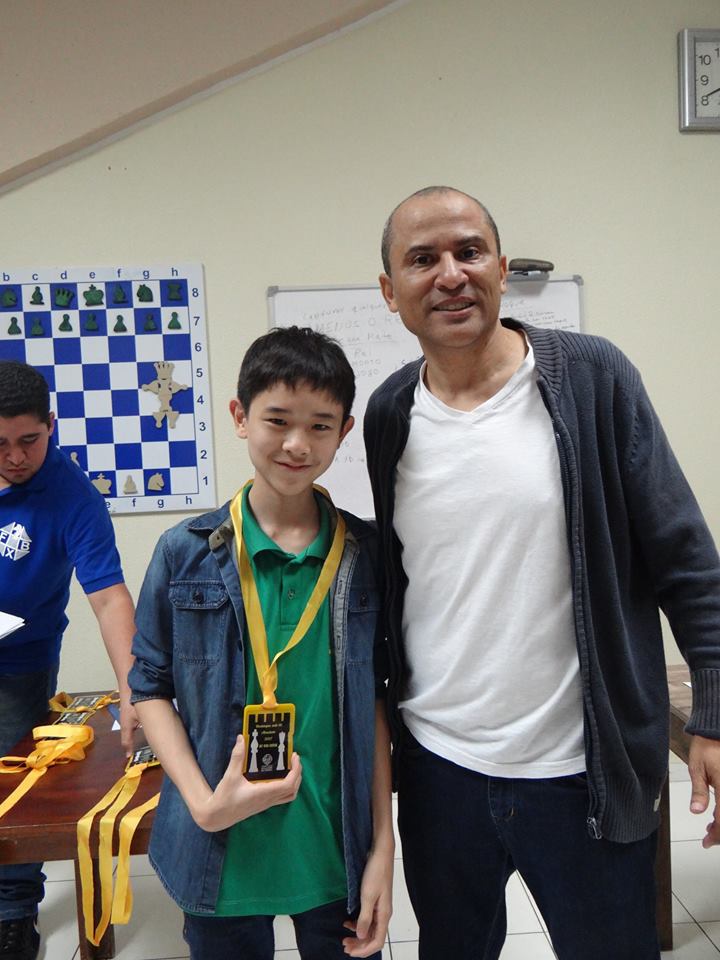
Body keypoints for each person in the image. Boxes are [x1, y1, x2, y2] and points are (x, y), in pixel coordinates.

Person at [363, 185, 720, 960]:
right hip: (440, 772)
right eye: (422, 259)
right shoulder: (390, 412)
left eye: (469, 251)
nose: (450, 274)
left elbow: (687, 560)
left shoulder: (592, 378)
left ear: (500, 268)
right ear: (391, 292)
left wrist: (714, 713)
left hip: (580, 772)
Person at [129, 326, 393, 960]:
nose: (297, 444)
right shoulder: (184, 553)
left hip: (333, 849)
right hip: (219, 853)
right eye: (277, 420)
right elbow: (149, 688)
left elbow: (378, 700)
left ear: (344, 432)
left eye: (320, 426)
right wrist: (203, 806)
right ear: (240, 416)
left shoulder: (367, 554)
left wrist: (383, 845)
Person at [0, 359, 137, 960]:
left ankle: (12, 912)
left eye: (29, 440)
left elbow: (108, 598)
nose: (15, 457)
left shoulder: (72, 494)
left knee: (14, 785)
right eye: (0, 444)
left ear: (51, 425)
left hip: (21, 662)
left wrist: (134, 688)